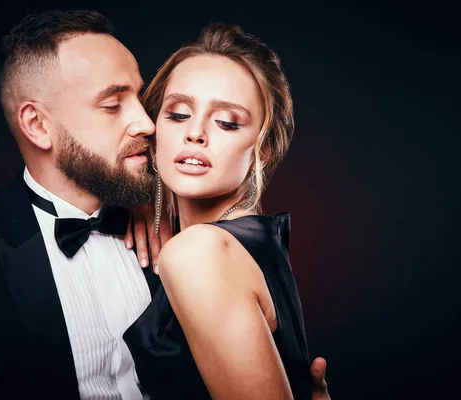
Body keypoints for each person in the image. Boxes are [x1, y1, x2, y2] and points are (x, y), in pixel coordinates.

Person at [0, 9, 330, 400]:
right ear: (37, 125)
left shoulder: (188, 242)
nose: (147, 123)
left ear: (262, 148)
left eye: (140, 97)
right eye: (113, 104)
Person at [122, 23, 316, 399]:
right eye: (177, 114)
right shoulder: (257, 247)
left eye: (227, 122)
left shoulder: (200, 253)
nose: (195, 132)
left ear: (263, 150)